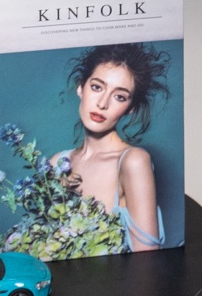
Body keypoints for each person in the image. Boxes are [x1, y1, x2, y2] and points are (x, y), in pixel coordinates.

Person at [51, 43, 169, 251]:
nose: (103, 104)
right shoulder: (57, 163)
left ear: (130, 108)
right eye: (97, 87)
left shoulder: (133, 161)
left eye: (119, 97)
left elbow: (148, 261)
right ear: (81, 87)